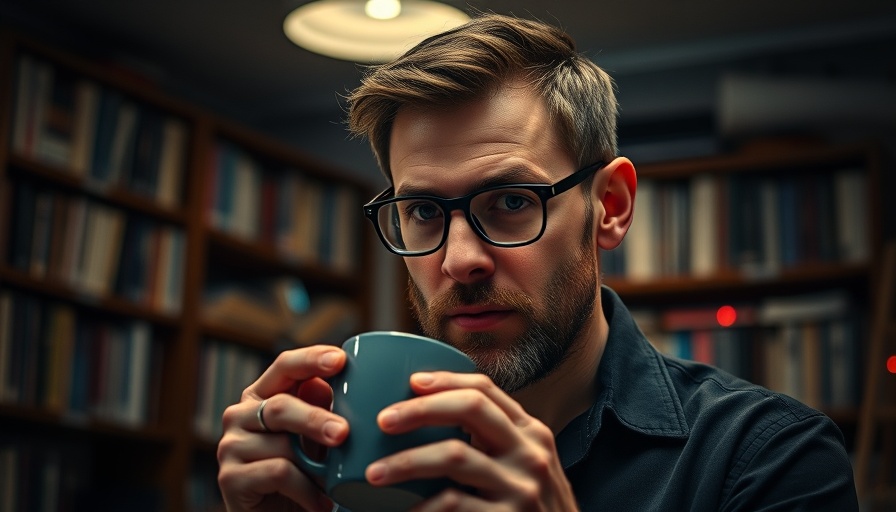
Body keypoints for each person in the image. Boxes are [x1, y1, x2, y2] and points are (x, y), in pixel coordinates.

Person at [217, 13, 859, 511]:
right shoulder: (360, 465)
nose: (460, 260)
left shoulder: (766, 457)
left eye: (512, 202)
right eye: (422, 212)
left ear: (609, 205)